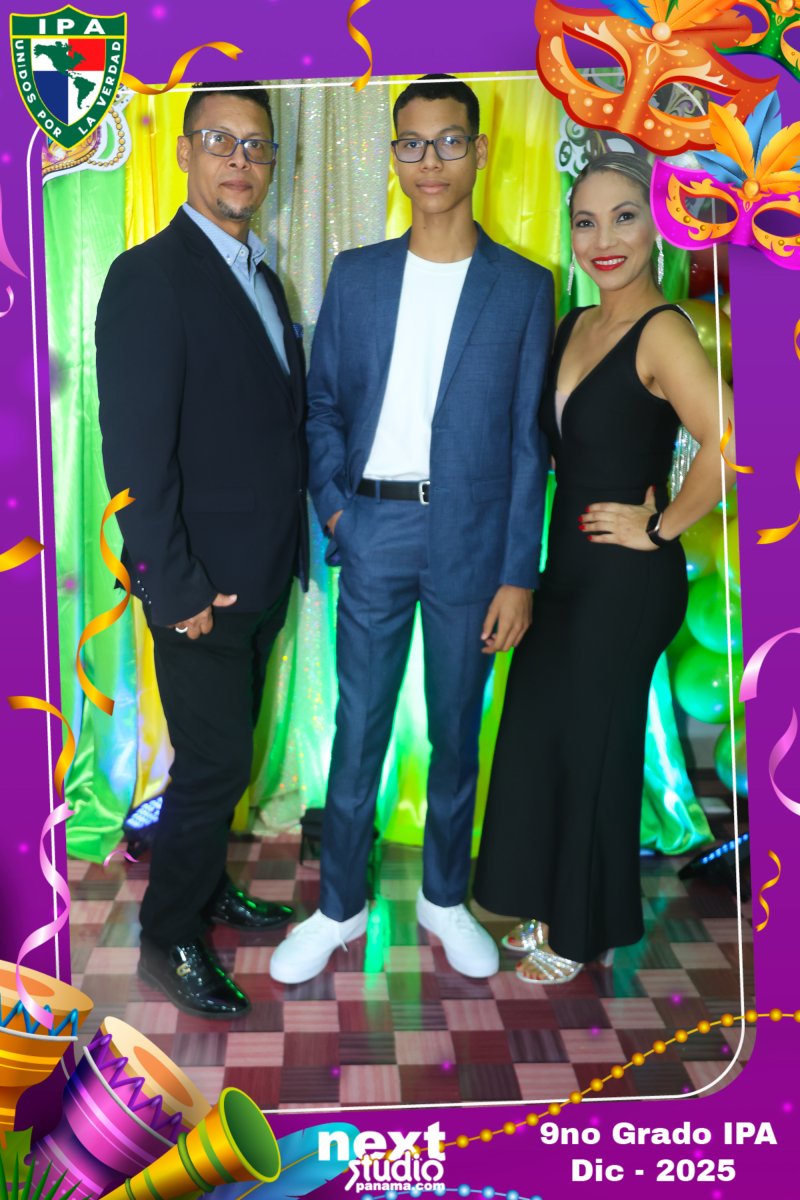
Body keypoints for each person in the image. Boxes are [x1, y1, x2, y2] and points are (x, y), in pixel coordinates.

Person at [269, 74, 554, 986]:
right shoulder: (356, 276)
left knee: (457, 730)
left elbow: (528, 443)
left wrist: (519, 572)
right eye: (413, 143)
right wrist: (337, 509)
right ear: (395, 155)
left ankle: (443, 898)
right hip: (374, 525)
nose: (431, 161)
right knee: (358, 728)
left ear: (479, 150)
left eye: (449, 140)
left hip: (474, 539)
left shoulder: (525, 287)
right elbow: (320, 406)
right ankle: (338, 908)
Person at [473, 151, 734, 984]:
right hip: (568, 573)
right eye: (586, 222)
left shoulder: (664, 330)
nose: (603, 239)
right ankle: (549, 900)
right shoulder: (575, 324)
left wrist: (662, 525)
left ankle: (581, 930)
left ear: (659, 226)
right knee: (541, 733)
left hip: (627, 581)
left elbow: (731, 439)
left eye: (624, 217)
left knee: (593, 748)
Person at [96, 83, 308, 1018]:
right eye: (220, 141)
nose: (240, 160)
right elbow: (135, 454)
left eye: (256, 145)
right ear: (183, 151)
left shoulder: (261, 273)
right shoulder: (150, 276)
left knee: (228, 753)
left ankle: (208, 887)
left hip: (257, 572)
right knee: (213, 763)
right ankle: (168, 938)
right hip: (198, 585)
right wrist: (170, 584)